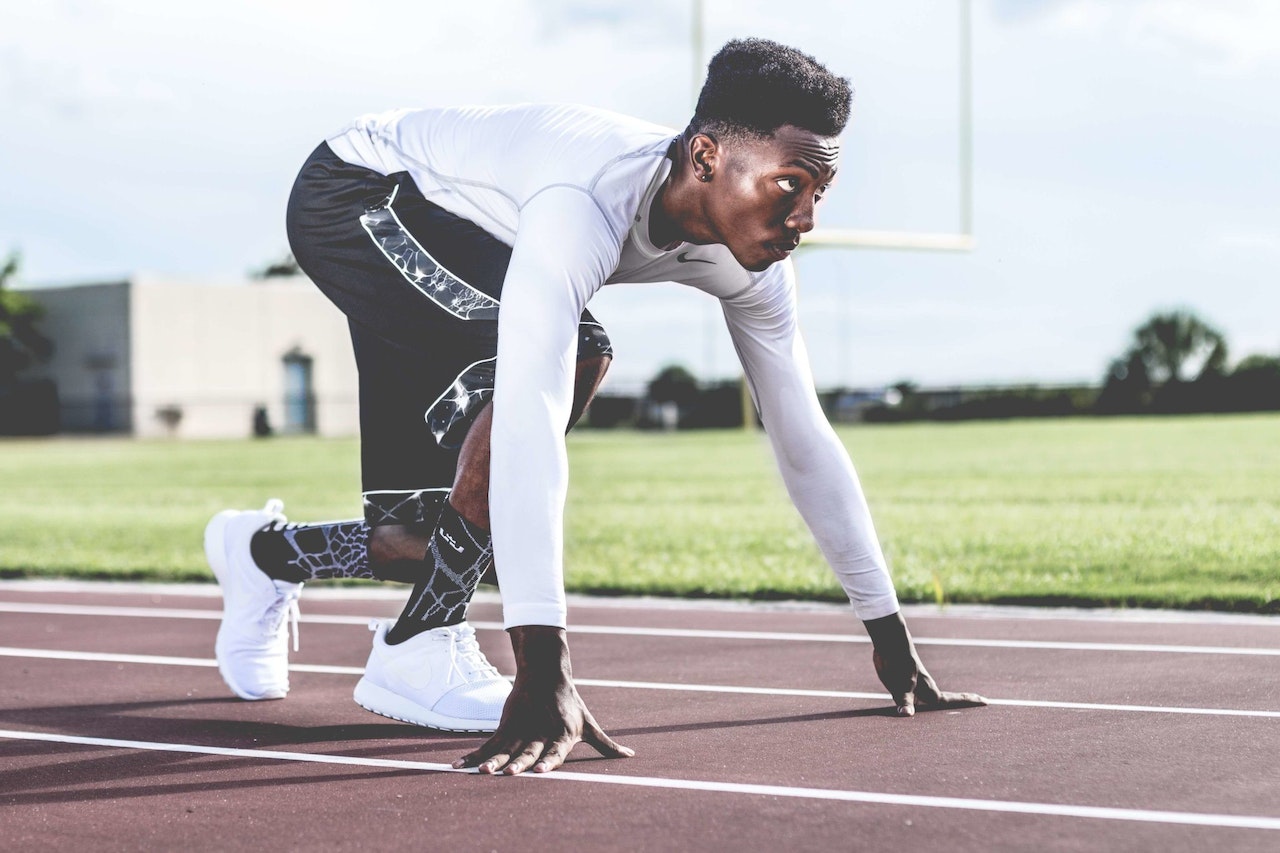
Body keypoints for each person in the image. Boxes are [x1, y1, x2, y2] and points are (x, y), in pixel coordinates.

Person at [204, 37, 986, 777]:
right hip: (358, 194)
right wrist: (543, 669)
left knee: (427, 536)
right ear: (706, 157)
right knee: (573, 356)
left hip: (468, 233)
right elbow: (533, 414)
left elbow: (803, 436)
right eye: (790, 184)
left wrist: (890, 640)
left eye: (820, 191)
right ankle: (420, 639)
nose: (807, 217)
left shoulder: (756, 268)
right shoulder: (584, 199)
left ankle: (265, 554)